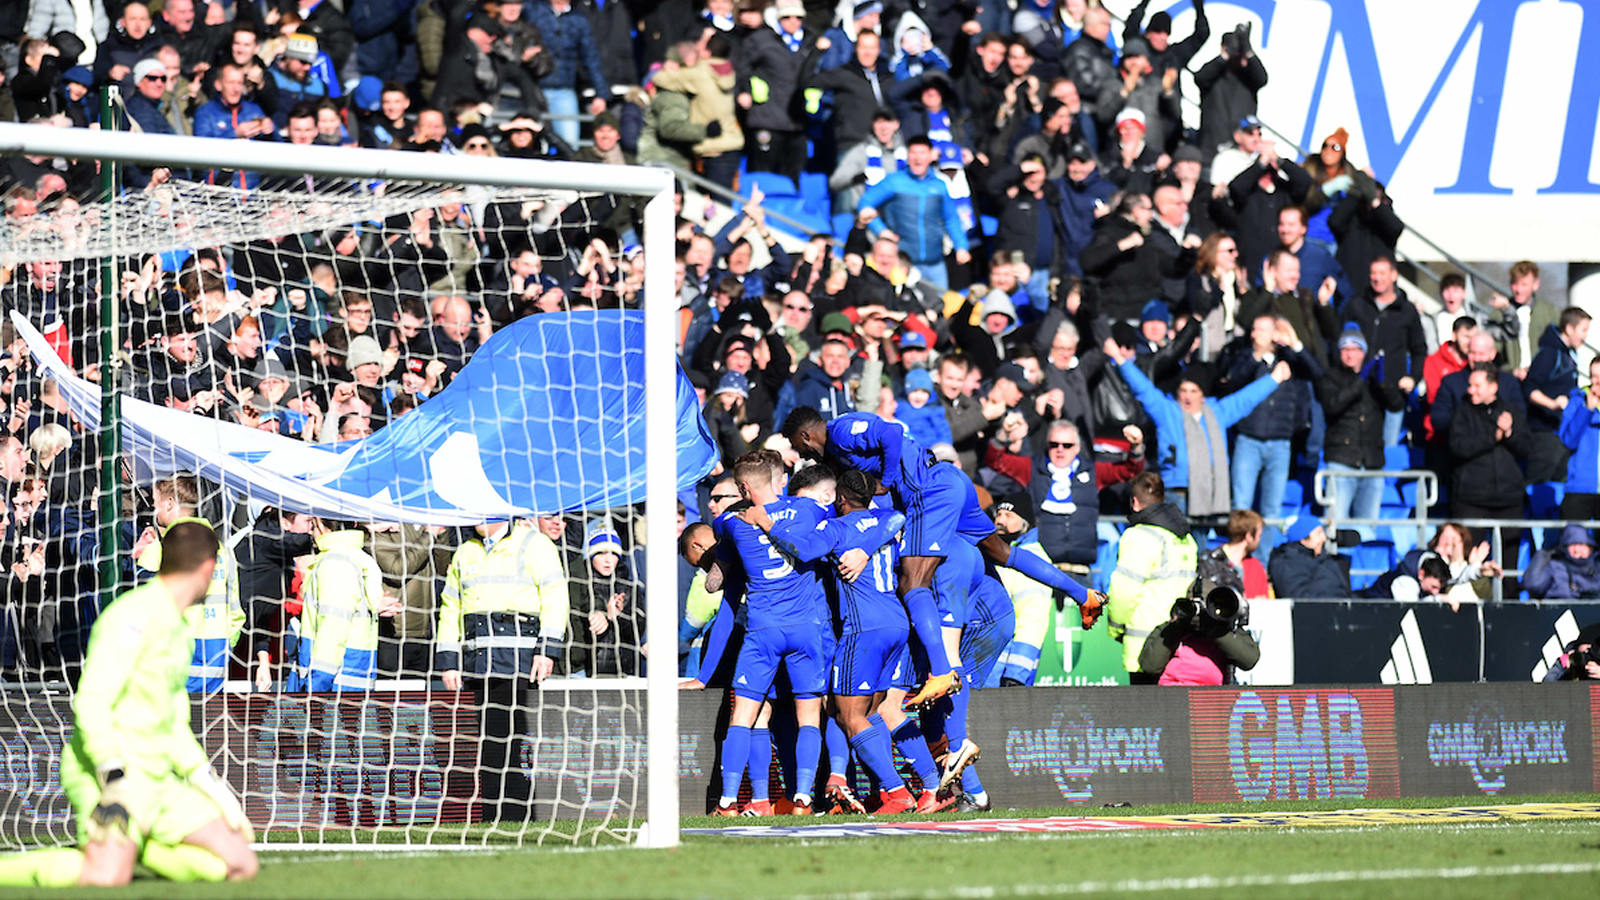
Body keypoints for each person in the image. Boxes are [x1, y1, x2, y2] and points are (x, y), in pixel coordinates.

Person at [782, 407, 1105, 705]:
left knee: (912, 582)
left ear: (806, 434)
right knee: (1003, 552)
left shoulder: (840, 430)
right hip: (951, 482)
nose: (801, 453)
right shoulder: (836, 454)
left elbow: (892, 433)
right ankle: (1084, 595)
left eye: (798, 445)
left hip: (930, 492)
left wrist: (889, 482)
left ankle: (940, 671)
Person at [0, 522, 257, 887]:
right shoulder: (134, 615)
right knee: (105, 877)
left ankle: (139, 844)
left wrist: (209, 783)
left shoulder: (179, 625)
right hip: (109, 771)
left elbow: (172, 722)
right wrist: (112, 773)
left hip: (156, 777)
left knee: (240, 864)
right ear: (208, 569)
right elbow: (91, 702)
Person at [436, 516, 568, 822]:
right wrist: (449, 661)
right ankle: (496, 814)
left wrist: (547, 651)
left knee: (513, 740)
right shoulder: (465, 551)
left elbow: (555, 597)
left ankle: (512, 814)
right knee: (491, 742)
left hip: (519, 662)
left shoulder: (534, 543)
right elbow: (450, 608)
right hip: (478, 665)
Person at [1110, 340, 1288, 517]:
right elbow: (1143, 389)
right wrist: (1120, 359)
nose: (1188, 396)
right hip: (1176, 491)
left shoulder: (1217, 413)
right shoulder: (1168, 411)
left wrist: (1274, 378)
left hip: (1207, 495)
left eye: (1193, 391)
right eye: (1183, 390)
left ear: (1202, 395)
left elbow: (1246, 398)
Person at [131, 475, 244, 694]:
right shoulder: (224, 550)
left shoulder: (161, 549)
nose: (153, 510)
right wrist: (227, 644)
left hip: (175, 660)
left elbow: (143, 606)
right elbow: (236, 611)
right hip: (216, 660)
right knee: (209, 726)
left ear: (171, 503)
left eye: (156, 504)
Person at [1219, 313, 1320, 518]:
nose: (1256, 335)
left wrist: (1295, 343)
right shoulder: (1246, 358)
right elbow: (1233, 382)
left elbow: (1317, 373)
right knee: (1241, 505)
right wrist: (1256, 356)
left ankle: (1265, 551)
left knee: (1272, 509)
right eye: (1254, 330)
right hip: (1248, 440)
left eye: (1262, 330)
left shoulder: (1291, 360)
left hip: (1280, 443)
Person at [1105, 472, 1196, 683]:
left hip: (1145, 648)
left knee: (1143, 714)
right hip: (1180, 645)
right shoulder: (1186, 538)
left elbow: (1123, 592)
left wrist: (1115, 627)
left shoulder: (1139, 536)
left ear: (1134, 503)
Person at [290, 517, 400, 690]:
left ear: (320, 523)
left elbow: (333, 628)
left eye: (312, 523)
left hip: (330, 686)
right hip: (349, 681)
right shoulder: (353, 556)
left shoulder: (336, 562)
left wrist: (316, 684)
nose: (310, 531)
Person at [1449, 364, 1530, 585]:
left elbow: (1527, 448)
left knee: (1508, 565)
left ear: (1493, 387)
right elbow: (1458, 447)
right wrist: (1493, 436)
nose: (1471, 390)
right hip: (1471, 499)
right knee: (1468, 561)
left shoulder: (1511, 411)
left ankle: (1510, 609)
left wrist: (1511, 433)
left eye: (1477, 386)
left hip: (1508, 499)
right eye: (1470, 385)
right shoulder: (1462, 413)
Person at [856, 135, 970, 291]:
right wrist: (882, 231)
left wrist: (961, 246)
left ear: (931, 156)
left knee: (941, 307)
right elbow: (865, 204)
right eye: (913, 153)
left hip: (936, 262)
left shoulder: (939, 185)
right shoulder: (894, 181)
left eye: (922, 153)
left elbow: (951, 219)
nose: (917, 158)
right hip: (904, 262)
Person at [1317, 326, 1403, 527]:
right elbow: (1333, 405)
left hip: (1372, 462)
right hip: (1342, 460)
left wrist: (1383, 383)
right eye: (1345, 349)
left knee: (1368, 526)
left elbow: (1396, 405)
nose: (1350, 354)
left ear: (1364, 353)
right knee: (1336, 525)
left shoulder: (1375, 380)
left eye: (1355, 349)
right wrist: (1359, 380)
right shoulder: (1330, 377)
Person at [1342, 255, 1428, 445]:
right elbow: (1341, 341)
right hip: (1359, 390)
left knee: (1387, 449)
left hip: (1393, 393)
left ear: (1394, 275)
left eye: (1382, 273)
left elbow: (1419, 349)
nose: (1377, 278)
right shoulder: (1356, 305)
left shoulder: (1407, 310)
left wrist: (1413, 377)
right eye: (1373, 273)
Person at [1138, 580, 1260, 686]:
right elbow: (1150, 665)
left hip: (1212, 701)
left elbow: (1249, 659)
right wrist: (1177, 625)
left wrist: (1213, 629)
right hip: (1173, 698)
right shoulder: (1172, 628)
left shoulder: (1224, 630)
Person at [1522, 307, 1590, 482]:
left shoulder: (1568, 355)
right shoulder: (1549, 354)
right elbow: (1529, 388)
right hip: (1544, 433)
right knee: (1538, 485)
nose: (1585, 336)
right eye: (1583, 330)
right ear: (1569, 329)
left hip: (1561, 430)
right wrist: (1552, 404)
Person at [1194, 26, 1267, 167]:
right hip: (1211, 150)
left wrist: (1248, 51)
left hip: (1241, 153)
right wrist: (1225, 57)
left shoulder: (1249, 78)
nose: (1237, 56)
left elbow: (1262, 78)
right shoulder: (1213, 76)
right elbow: (1200, 77)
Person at [1267, 514, 1351, 599]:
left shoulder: (1327, 560)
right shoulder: (1286, 562)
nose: (1324, 538)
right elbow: (1298, 599)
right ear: (1302, 537)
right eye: (1319, 533)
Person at [1422, 315, 1477, 443]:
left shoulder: (1474, 363)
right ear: (1454, 335)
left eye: (1474, 338)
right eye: (1466, 337)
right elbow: (1434, 397)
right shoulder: (1433, 362)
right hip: (1439, 433)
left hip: (1469, 433)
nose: (1470, 343)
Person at [1558, 357, 1600, 520]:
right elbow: (1568, 440)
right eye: (1594, 376)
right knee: (1575, 541)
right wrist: (1586, 410)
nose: (1597, 382)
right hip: (1580, 487)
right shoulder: (1577, 401)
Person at [1523, 525, 1600, 600]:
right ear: (1565, 547)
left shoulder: (1597, 568)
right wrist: (1543, 554)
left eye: (1581, 545)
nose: (1577, 550)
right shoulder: (1554, 566)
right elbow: (1534, 586)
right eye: (1573, 545)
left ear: (1591, 548)